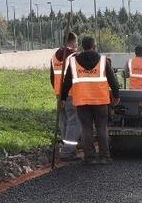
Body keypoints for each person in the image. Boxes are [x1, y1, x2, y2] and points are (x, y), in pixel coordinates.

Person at [60, 36, 121, 165]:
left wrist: (63, 98)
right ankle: (104, 156)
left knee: (86, 128)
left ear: (82, 46)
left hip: (82, 101)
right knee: (102, 128)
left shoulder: (74, 62)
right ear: (94, 46)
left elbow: (66, 83)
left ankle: (90, 157)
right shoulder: (103, 61)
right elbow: (113, 82)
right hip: (100, 101)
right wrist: (116, 96)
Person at [50, 32, 80, 161]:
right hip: (71, 93)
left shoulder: (54, 56)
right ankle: (69, 151)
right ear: (73, 42)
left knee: (64, 121)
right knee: (74, 122)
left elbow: (52, 77)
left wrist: (58, 91)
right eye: (76, 43)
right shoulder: (74, 56)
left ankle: (66, 147)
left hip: (58, 93)